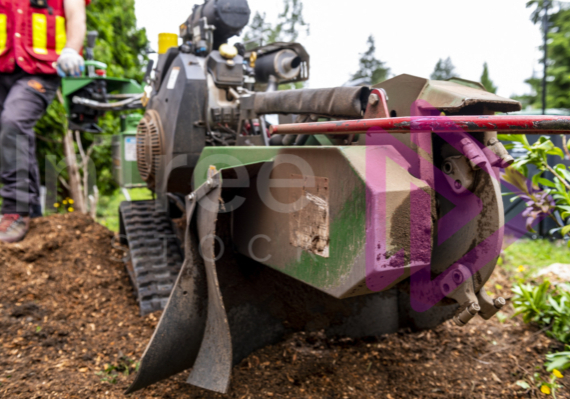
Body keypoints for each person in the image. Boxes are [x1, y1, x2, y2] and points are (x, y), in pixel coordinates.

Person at [0, 0, 89, 243]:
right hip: (3, 65)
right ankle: (32, 214)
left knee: (14, 122)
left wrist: (71, 49)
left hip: (41, 70)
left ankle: (16, 210)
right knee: (12, 136)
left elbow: (76, 16)